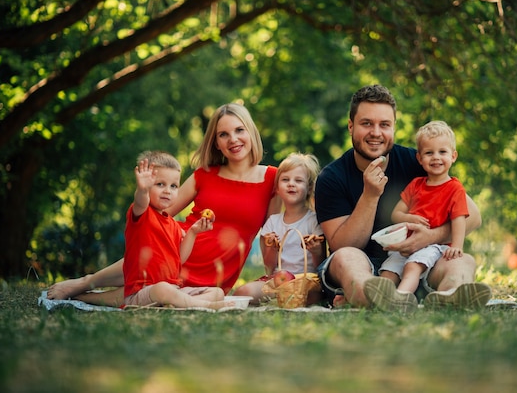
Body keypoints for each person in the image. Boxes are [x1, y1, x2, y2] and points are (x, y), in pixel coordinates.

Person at [47, 103, 282, 306]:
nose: (233, 139)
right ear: (216, 143)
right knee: (152, 265)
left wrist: (273, 272)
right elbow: (158, 215)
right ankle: (84, 283)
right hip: (176, 249)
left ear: (251, 132)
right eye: (223, 134)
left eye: (239, 130)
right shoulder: (205, 174)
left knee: (156, 294)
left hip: (214, 274)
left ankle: (84, 296)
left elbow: (272, 233)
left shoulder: (273, 178)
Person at [314, 84, 491, 311]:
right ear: (351, 126)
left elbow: (473, 217)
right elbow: (343, 245)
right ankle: (376, 295)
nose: (376, 133)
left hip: (418, 264)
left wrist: (428, 237)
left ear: (394, 128)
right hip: (362, 266)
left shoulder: (417, 161)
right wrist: (370, 195)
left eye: (384, 125)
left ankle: (450, 296)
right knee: (346, 257)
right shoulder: (332, 177)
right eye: (366, 123)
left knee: (462, 261)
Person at [369, 120, 469, 311]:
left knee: (412, 267)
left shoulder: (454, 188)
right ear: (420, 158)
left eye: (442, 152)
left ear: (453, 156)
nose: (436, 158)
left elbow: (459, 219)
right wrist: (410, 218)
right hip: (407, 244)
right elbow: (396, 213)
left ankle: (402, 298)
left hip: (433, 246)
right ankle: (380, 298)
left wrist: (456, 246)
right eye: (429, 153)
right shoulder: (416, 185)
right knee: (389, 270)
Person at [123, 151, 230, 309]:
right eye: (160, 184)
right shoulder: (142, 214)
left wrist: (193, 232)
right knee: (162, 289)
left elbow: (179, 259)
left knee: (218, 292)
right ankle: (204, 305)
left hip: (173, 289)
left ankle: (187, 302)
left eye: (173, 186)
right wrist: (142, 190)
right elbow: (140, 201)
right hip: (141, 293)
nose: (167, 190)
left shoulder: (173, 224)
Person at [233, 153, 326, 305]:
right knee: (243, 293)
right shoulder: (273, 222)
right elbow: (269, 267)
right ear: (277, 188)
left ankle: (286, 299)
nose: (291, 184)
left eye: (298, 180)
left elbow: (320, 266)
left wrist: (316, 251)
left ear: (309, 188)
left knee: (311, 296)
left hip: (306, 281)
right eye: (285, 180)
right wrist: (273, 248)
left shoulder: (314, 220)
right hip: (278, 280)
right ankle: (283, 298)